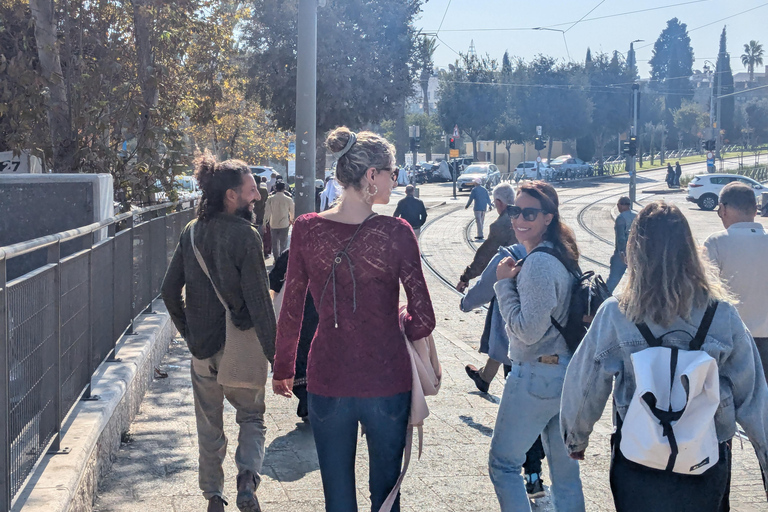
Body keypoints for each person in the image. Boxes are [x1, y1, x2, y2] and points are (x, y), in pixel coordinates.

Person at [561, 201, 768, 511]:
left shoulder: (617, 313)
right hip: (706, 451)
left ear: (635, 251)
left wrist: (576, 438)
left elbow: (585, 380)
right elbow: (752, 395)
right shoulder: (721, 314)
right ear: (691, 250)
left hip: (638, 451)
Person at [272, 126, 436, 512]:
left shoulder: (306, 229)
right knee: (386, 497)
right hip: (387, 378)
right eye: (392, 173)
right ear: (371, 176)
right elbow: (424, 317)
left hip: (328, 377)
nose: (395, 182)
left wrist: (282, 368)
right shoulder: (397, 232)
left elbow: (292, 306)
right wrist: (397, 325)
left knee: (338, 501)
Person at [161, 154, 276, 512]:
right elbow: (259, 302)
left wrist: (189, 334)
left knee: (209, 425)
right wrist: (280, 358)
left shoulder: (191, 231)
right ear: (231, 195)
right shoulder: (246, 236)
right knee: (252, 416)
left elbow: (168, 291)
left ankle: (213, 495)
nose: (256, 197)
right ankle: (247, 479)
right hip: (240, 347)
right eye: (251, 190)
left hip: (202, 351)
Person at [490, 181, 585, 512]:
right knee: (565, 474)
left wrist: (503, 285)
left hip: (536, 376)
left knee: (503, 465)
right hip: (563, 375)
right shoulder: (560, 254)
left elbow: (527, 332)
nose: (519, 219)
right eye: (516, 211)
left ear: (548, 218)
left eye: (529, 213)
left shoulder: (540, 264)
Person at [705, 182, 768, 382]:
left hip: (730, 341)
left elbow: (705, 294)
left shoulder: (716, 242)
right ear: (756, 209)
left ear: (722, 209)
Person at [457, 183, 518, 388]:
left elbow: (485, 258)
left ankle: (506, 386)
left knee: (504, 332)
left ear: (500, 203)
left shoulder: (502, 225)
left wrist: (466, 278)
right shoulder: (527, 218)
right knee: (504, 333)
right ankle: (485, 377)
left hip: (507, 287)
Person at [269, 250, 317, 420]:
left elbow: (273, 282)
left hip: (295, 316)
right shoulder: (331, 248)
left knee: (299, 358)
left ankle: (306, 400)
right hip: (320, 315)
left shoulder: (291, 253)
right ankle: (312, 401)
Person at [606, 196, 637, 293]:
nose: (618, 208)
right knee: (636, 279)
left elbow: (621, 238)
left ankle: (603, 298)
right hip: (636, 253)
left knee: (613, 279)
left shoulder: (621, 218)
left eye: (618, 205)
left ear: (622, 205)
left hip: (622, 254)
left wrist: (622, 252)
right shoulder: (638, 216)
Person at [264, 181, 294, 258]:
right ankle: (282, 258)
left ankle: (276, 258)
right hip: (284, 223)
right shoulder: (288, 199)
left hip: (273, 223)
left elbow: (267, 212)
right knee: (283, 243)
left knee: (274, 243)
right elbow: (292, 212)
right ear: (284, 188)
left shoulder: (270, 199)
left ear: (275, 188)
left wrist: (264, 223)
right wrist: (291, 220)